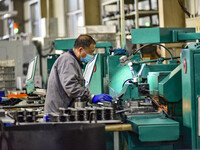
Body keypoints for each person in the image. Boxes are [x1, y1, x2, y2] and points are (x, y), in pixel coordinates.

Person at [44, 34, 113, 113]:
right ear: (80, 49)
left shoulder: (74, 62)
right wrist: (91, 97)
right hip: (56, 114)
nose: (92, 55)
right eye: (91, 52)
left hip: (62, 112)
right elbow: (71, 88)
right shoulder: (68, 60)